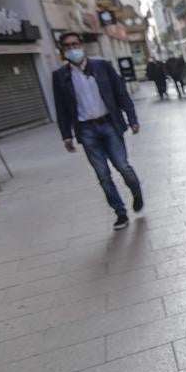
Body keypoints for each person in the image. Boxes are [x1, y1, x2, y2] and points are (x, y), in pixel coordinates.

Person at [52, 32, 143, 231]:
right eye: (67, 46)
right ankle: (120, 213)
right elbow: (61, 109)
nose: (72, 49)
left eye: (75, 44)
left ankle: (136, 192)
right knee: (103, 174)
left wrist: (132, 119)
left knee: (123, 166)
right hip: (86, 130)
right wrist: (66, 135)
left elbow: (121, 94)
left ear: (83, 46)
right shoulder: (60, 76)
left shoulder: (102, 67)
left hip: (109, 124)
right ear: (63, 51)